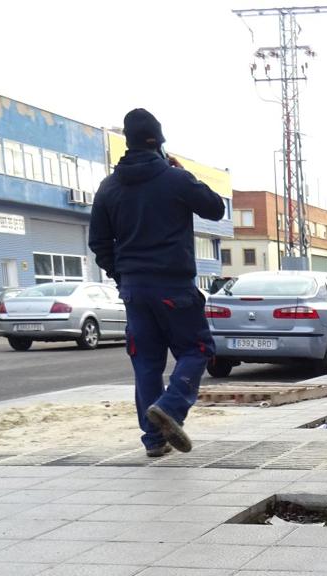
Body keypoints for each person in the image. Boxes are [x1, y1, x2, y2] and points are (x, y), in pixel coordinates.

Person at [89, 108, 227, 457]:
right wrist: (184, 174)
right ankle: (172, 405)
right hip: (173, 286)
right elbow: (214, 208)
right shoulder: (174, 179)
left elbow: (99, 244)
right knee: (197, 350)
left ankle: (154, 440)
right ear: (159, 143)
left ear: (128, 142)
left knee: (146, 363)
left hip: (134, 290)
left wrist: (121, 277)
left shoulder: (108, 187)